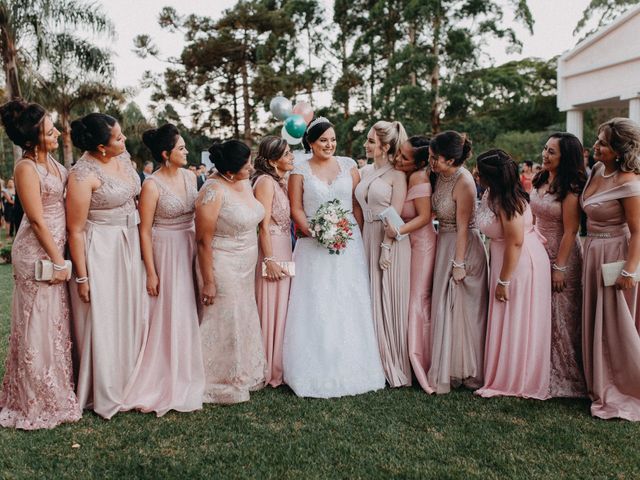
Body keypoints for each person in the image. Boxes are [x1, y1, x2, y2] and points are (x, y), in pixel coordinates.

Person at [283, 117, 385, 398]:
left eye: (332, 140)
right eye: (323, 141)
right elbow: (296, 208)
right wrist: (312, 231)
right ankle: (313, 366)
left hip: (348, 242)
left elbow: (355, 205)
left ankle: (356, 364)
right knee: (316, 300)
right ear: (311, 143)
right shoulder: (299, 170)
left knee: (348, 299)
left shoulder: (349, 165)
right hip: (312, 244)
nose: (329, 145)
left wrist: (358, 237)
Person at [0, 99, 81, 429]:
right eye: (50, 131)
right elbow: (34, 218)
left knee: (54, 323)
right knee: (35, 323)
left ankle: (57, 390)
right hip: (36, 251)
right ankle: (32, 398)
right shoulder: (25, 168)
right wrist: (59, 259)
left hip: (56, 248)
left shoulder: (56, 164)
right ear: (32, 139)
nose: (58, 133)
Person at [66, 113, 148, 419]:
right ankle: (106, 387)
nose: (124, 140)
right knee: (105, 317)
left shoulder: (124, 159)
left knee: (130, 309)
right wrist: (83, 277)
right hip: (100, 248)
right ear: (101, 147)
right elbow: (75, 229)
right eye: (117, 137)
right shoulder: (82, 175)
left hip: (130, 241)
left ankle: (132, 379)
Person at [124, 124, 205, 416]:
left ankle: (191, 364)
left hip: (189, 243)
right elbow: (144, 231)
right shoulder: (152, 185)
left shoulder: (189, 177)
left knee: (190, 305)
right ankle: (166, 374)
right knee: (172, 310)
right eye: (181, 148)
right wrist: (152, 271)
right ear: (165, 154)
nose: (186, 152)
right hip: (165, 249)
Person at [475, 150, 552, 399]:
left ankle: (516, 378)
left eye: (481, 172)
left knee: (516, 316)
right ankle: (501, 371)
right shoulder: (491, 193)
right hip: (503, 255)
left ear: (492, 177)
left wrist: (503, 280)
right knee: (506, 315)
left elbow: (515, 242)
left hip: (518, 262)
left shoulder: (509, 202)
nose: (476, 174)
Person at [196, 140, 266, 404]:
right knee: (224, 317)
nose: (251, 166)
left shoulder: (243, 181)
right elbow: (203, 241)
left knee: (243, 313)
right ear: (228, 172)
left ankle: (244, 370)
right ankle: (216, 378)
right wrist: (209, 281)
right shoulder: (212, 192)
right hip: (221, 262)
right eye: (246, 164)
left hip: (246, 262)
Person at [581, 118, 640, 421]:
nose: (596, 146)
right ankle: (597, 382)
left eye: (603, 143)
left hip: (616, 255)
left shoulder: (629, 182)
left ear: (618, 150)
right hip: (592, 251)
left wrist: (629, 272)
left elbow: (638, 230)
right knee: (596, 322)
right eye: (598, 139)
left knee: (615, 327)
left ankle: (625, 385)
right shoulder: (597, 170)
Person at [428, 131, 488, 394]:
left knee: (462, 309)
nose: (431, 162)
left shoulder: (463, 182)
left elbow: (464, 227)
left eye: (435, 159)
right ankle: (447, 365)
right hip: (443, 242)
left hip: (462, 247)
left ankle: (467, 371)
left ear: (451, 160)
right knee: (443, 305)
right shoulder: (440, 175)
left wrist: (459, 263)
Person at [530, 133, 587, 398]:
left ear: (566, 157)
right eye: (545, 149)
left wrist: (559, 267)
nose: (545, 154)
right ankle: (538, 367)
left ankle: (566, 375)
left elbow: (571, 230)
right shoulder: (540, 178)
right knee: (542, 313)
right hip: (537, 253)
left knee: (563, 316)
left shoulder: (572, 186)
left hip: (562, 255)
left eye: (552, 152)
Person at [355, 120, 411, 387]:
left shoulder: (397, 175)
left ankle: (391, 361)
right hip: (365, 235)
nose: (365, 145)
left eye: (370, 141)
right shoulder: (364, 171)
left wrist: (386, 247)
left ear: (385, 146)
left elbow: (396, 217)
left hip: (387, 239)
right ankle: (368, 358)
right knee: (366, 296)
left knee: (384, 296)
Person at [388, 135, 437, 393]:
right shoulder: (404, 176)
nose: (398, 159)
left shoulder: (418, 177)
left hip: (422, 244)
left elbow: (425, 217)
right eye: (399, 153)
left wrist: (398, 231)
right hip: (408, 243)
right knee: (409, 299)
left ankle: (422, 362)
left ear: (419, 163)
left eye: (404, 157)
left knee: (418, 300)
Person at [252, 136, 294, 388]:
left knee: (282, 305)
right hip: (273, 249)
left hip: (286, 247)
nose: (291, 157)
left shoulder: (279, 182)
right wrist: (269, 260)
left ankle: (279, 360)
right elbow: (263, 226)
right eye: (287, 154)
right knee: (270, 306)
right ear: (271, 160)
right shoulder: (265, 182)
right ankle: (267, 365)